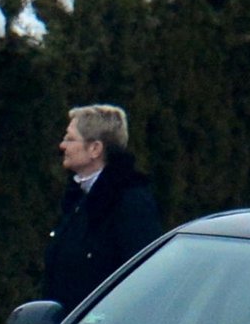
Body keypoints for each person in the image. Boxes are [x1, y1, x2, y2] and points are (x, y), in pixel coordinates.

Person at [43, 104, 162, 312]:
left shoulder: (130, 202)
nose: (63, 145)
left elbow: (140, 279)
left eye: (70, 139)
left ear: (95, 149)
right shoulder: (78, 198)